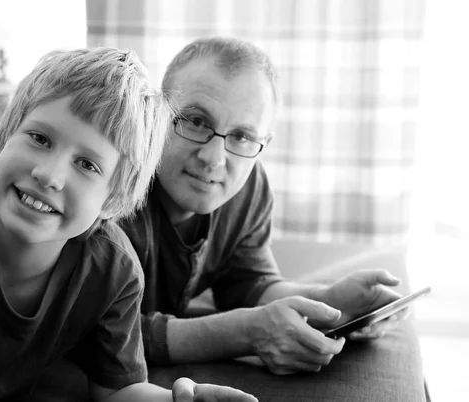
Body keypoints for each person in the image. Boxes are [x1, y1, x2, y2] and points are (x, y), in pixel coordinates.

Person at [0, 47, 258, 402]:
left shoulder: (115, 270)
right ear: (4, 138)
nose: (49, 174)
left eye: (87, 165)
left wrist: (175, 400)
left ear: (113, 199)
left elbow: (117, 392)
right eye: (39, 138)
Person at [116, 37, 427, 401]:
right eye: (196, 121)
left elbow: (249, 284)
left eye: (242, 136)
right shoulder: (116, 187)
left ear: (262, 142)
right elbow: (104, 334)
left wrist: (327, 304)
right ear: (158, 114)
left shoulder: (248, 187)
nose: (214, 158)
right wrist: (245, 332)